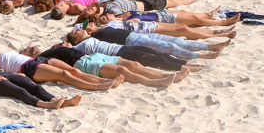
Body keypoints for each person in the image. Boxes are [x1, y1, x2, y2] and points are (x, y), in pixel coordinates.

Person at [20, 45, 188, 87]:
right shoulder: (41, 59)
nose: (30, 48)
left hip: (93, 56)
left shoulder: (49, 50)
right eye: (26, 50)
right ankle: (155, 81)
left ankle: (165, 75)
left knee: (133, 64)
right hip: (83, 64)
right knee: (122, 70)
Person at [0, 49, 123, 91]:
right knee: (64, 75)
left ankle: (105, 81)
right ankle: (97, 86)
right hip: (28, 67)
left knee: (74, 71)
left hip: (35, 60)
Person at [0, 59, 82, 109]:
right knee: (19, 91)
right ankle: (47, 104)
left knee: (34, 86)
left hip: (5, 73)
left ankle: (61, 102)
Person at [74, 23, 229, 60]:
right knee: (169, 47)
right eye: (88, 25)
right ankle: (202, 55)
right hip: (132, 41)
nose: (92, 24)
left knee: (175, 40)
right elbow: (77, 28)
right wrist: (82, 30)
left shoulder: (104, 27)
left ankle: (209, 46)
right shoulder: (94, 37)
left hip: (137, 35)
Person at [62, 31, 202, 71]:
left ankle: (186, 63)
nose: (78, 29)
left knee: (159, 53)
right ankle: (182, 67)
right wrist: (66, 46)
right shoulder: (78, 48)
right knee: (154, 60)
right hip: (121, 54)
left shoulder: (90, 37)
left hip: (123, 48)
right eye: (76, 32)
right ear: (75, 40)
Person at [78, 0, 205, 21]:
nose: (86, 9)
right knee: (168, 3)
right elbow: (125, 16)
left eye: (85, 9)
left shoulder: (101, 2)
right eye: (86, 12)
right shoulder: (111, 13)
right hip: (145, 6)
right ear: (92, 16)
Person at [93, 14, 237, 40]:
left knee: (182, 27)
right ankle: (220, 34)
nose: (106, 16)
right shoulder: (107, 29)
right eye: (103, 19)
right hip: (148, 30)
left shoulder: (115, 20)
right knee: (184, 31)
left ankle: (217, 30)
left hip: (149, 24)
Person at [101, 7, 241, 27]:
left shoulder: (121, 14)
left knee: (188, 14)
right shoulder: (124, 21)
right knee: (194, 20)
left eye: (106, 15)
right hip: (161, 20)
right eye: (106, 18)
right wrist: (117, 20)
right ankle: (223, 22)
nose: (107, 15)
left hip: (159, 14)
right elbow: (137, 20)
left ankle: (208, 15)